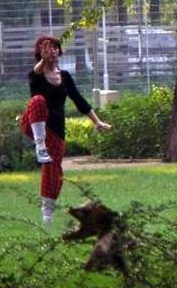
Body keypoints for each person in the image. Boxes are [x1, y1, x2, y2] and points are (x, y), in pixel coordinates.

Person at [19, 35, 112, 224]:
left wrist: (97, 122)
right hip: (33, 123)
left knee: (54, 172)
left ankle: (47, 216)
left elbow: (79, 100)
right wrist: (43, 62)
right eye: (47, 48)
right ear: (40, 53)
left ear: (59, 51)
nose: (52, 50)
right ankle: (40, 146)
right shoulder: (35, 74)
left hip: (55, 131)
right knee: (38, 101)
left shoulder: (65, 77)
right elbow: (37, 72)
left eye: (55, 47)